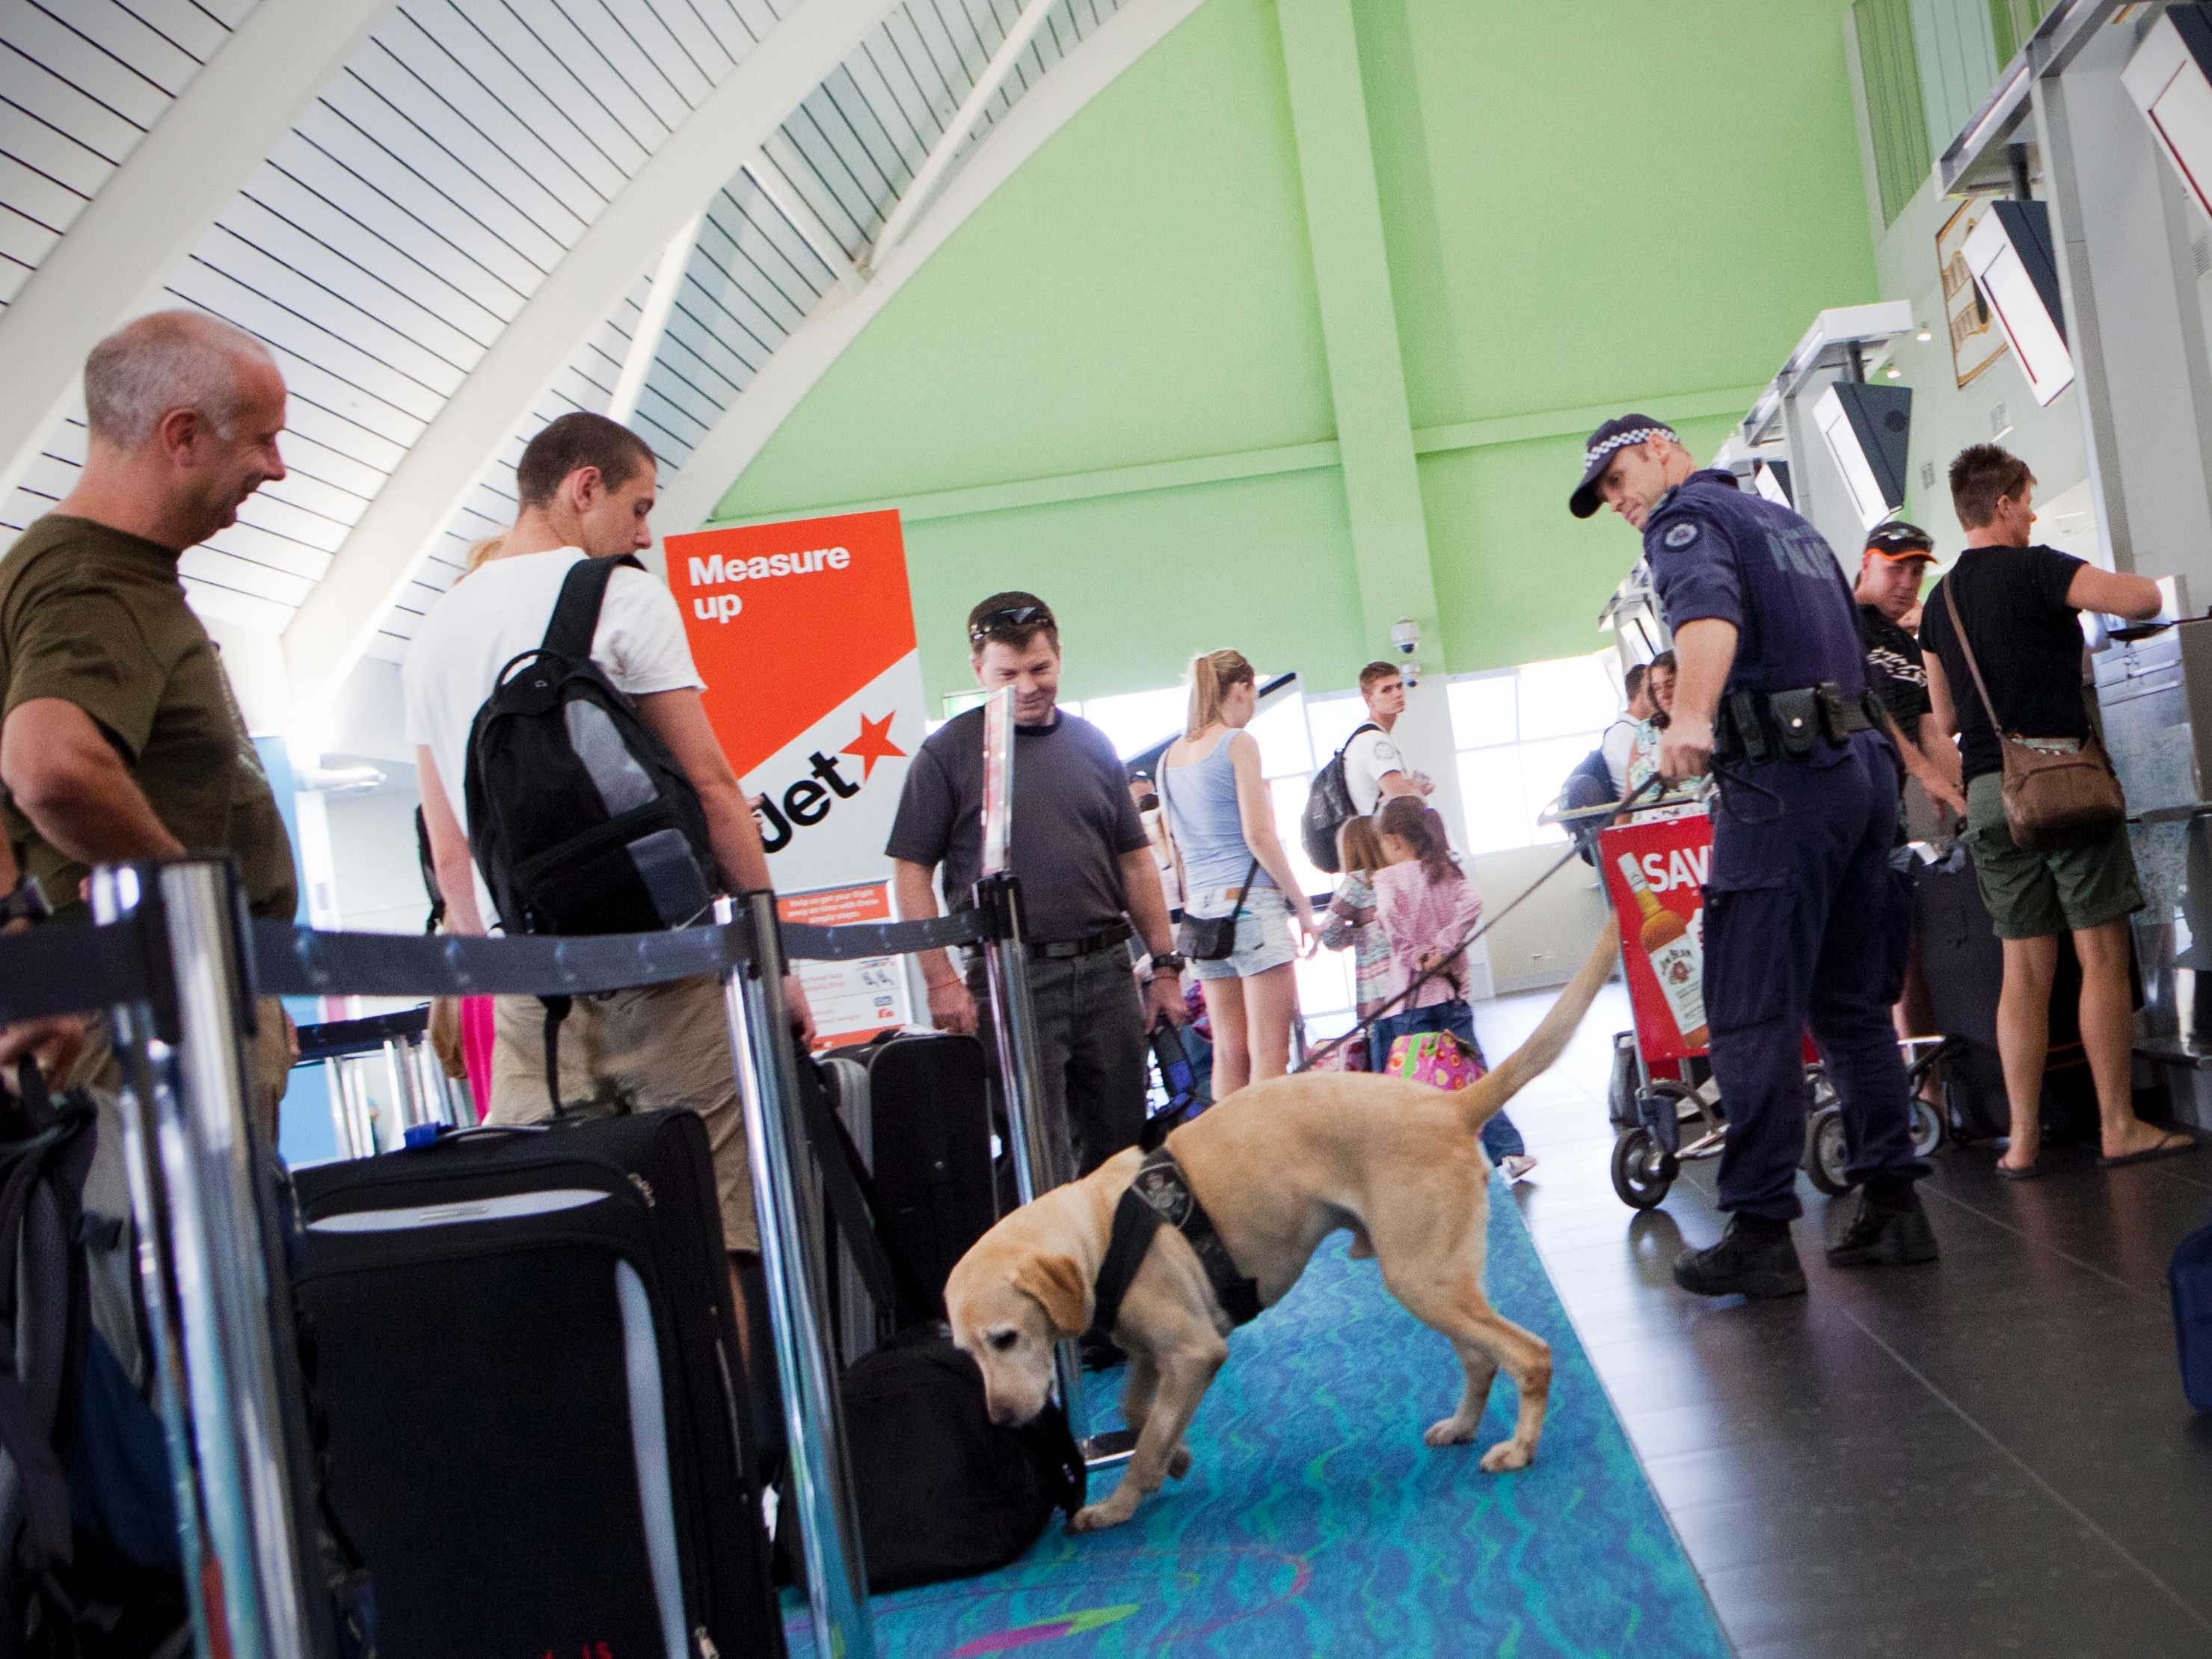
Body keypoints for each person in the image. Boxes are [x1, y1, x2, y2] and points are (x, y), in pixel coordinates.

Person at [405, 411, 811, 1325]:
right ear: (582, 486)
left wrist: (487, 970)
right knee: (716, 1230)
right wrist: (770, 950)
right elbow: (709, 786)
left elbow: (448, 849)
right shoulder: (618, 594)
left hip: (526, 991)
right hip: (660, 966)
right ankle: (738, 1463)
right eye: (638, 506)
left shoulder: (431, 629)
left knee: (562, 1237)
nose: (644, 532)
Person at [1573, 413, 1934, 1298]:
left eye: (1619, 478)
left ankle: (1763, 1226)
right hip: (1858, 778)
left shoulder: (1685, 521)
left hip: (1782, 787)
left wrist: (1690, 716)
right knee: (1850, 1004)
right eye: (1608, 495)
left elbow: (1706, 617)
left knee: (1747, 1006)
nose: (1620, 502)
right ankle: (1893, 1202)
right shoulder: (1792, 524)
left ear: (1659, 447)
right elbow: (1854, 658)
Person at [0, 310, 300, 1136]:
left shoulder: (73, 571)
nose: (277, 468)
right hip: (151, 1008)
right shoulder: (91, 580)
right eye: (262, 440)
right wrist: (197, 909)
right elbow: (48, 767)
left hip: (154, 995)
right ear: (183, 434)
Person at [1917, 444, 2194, 1178]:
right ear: (2004, 502)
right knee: (2099, 953)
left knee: (2024, 970)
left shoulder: (1939, 602)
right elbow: (2141, 600)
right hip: (2061, 780)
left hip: (1987, 793)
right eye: (2027, 498)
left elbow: (1943, 714)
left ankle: (2024, 1142)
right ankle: (2117, 1124)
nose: (2032, 512)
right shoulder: (2037, 565)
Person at [887, 593, 1186, 1178]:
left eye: (1040, 669)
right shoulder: (946, 754)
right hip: (1009, 980)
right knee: (1038, 1156)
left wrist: (1166, 965)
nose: (1027, 686)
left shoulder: (1094, 745)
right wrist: (941, 978)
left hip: (1107, 974)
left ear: (1059, 659)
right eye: (1008, 673)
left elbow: (1136, 863)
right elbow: (909, 872)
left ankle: (1123, 1266)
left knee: (1125, 1153)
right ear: (978, 671)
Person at [1158, 650, 1319, 1098]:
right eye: (1254, 694)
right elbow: (1259, 835)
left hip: (1203, 917)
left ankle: (1230, 1163)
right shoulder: (1237, 743)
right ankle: (1268, 1162)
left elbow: (1176, 850)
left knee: (1230, 1051)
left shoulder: (1169, 757)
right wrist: (1302, 904)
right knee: (1270, 1051)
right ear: (1242, 688)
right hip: (1252, 909)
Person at [1366, 798, 1535, 1179]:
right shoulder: (1446, 871)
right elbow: (1472, 903)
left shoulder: (1389, 879)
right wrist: (1442, 948)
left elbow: (1392, 922)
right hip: (1451, 993)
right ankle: (1509, 1152)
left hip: (1408, 1003)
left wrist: (1415, 956)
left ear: (1393, 841)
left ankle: (1420, 1166)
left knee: (1411, 1086)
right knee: (1476, 1075)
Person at [1854, 521, 1966, 819]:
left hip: (1887, 805)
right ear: (1867, 564)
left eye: (1917, 572)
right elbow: (1865, 711)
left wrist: (1957, 789)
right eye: (1896, 568)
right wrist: (1923, 770)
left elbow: (1930, 732)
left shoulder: (1906, 645)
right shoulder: (1839, 622)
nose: (1907, 582)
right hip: (1837, 803)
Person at [1321, 815, 1394, 1043]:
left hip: (1377, 989)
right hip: (1412, 980)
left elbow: (1329, 932)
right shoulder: (1397, 875)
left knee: (1387, 1060)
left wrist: (1360, 936)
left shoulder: (1357, 882)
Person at [1344, 660, 1434, 816]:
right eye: (1386, 690)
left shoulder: (1365, 737)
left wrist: (1411, 791)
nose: (1398, 693)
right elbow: (1401, 804)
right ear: (1368, 699)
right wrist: (1416, 792)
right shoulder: (1376, 742)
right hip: (1380, 835)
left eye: (1399, 686)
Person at [1601, 663, 1654, 794]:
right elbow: (1644, 777)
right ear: (1643, 691)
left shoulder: (1639, 728)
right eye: (1656, 688)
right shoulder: (1622, 733)